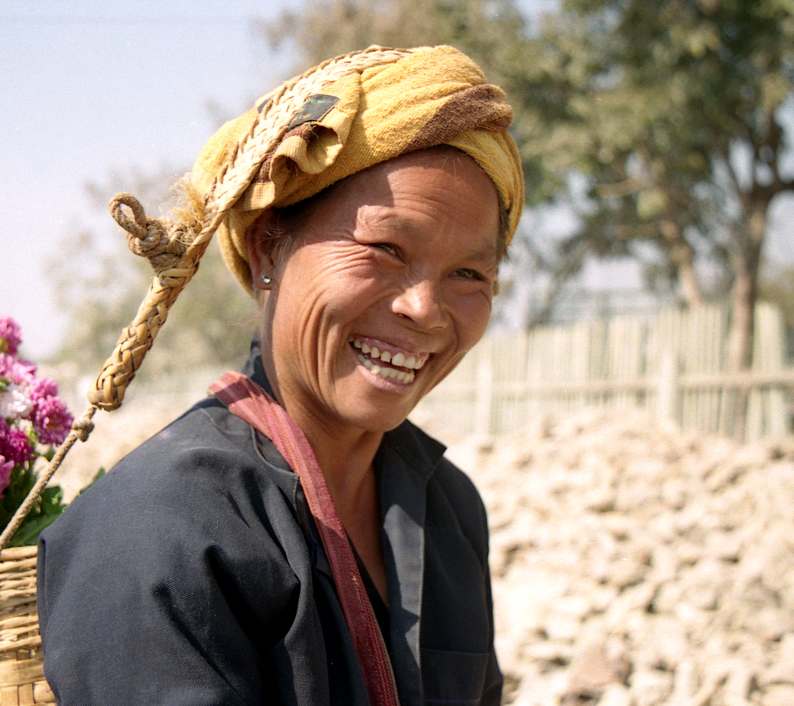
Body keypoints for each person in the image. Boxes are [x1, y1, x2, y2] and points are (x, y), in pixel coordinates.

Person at [37, 45, 524, 706]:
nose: (424, 308)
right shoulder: (157, 530)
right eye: (384, 248)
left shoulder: (449, 507)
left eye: (468, 274)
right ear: (270, 246)